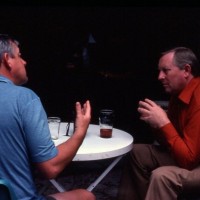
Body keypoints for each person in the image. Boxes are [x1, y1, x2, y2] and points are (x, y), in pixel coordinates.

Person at [0, 34, 96, 200]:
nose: (24, 62)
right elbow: (50, 168)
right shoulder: (24, 99)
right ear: (8, 59)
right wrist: (80, 130)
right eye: (20, 56)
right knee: (86, 195)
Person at [117, 47, 200, 200]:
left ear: (186, 70)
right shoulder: (178, 94)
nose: (160, 77)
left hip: (195, 164)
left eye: (165, 70)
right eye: (159, 71)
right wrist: (156, 124)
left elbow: (188, 161)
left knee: (161, 176)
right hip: (187, 156)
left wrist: (164, 122)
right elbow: (170, 143)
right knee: (136, 152)